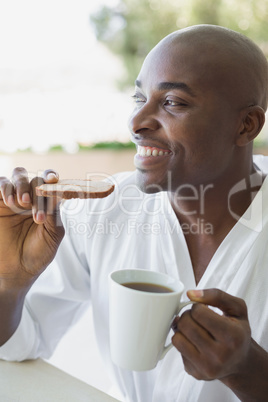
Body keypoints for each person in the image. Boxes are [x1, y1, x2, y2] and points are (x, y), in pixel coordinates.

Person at [0, 24, 268, 402]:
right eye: (138, 97)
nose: (136, 123)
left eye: (173, 102)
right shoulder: (104, 209)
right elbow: (19, 343)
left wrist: (249, 371)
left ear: (246, 125)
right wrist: (10, 283)